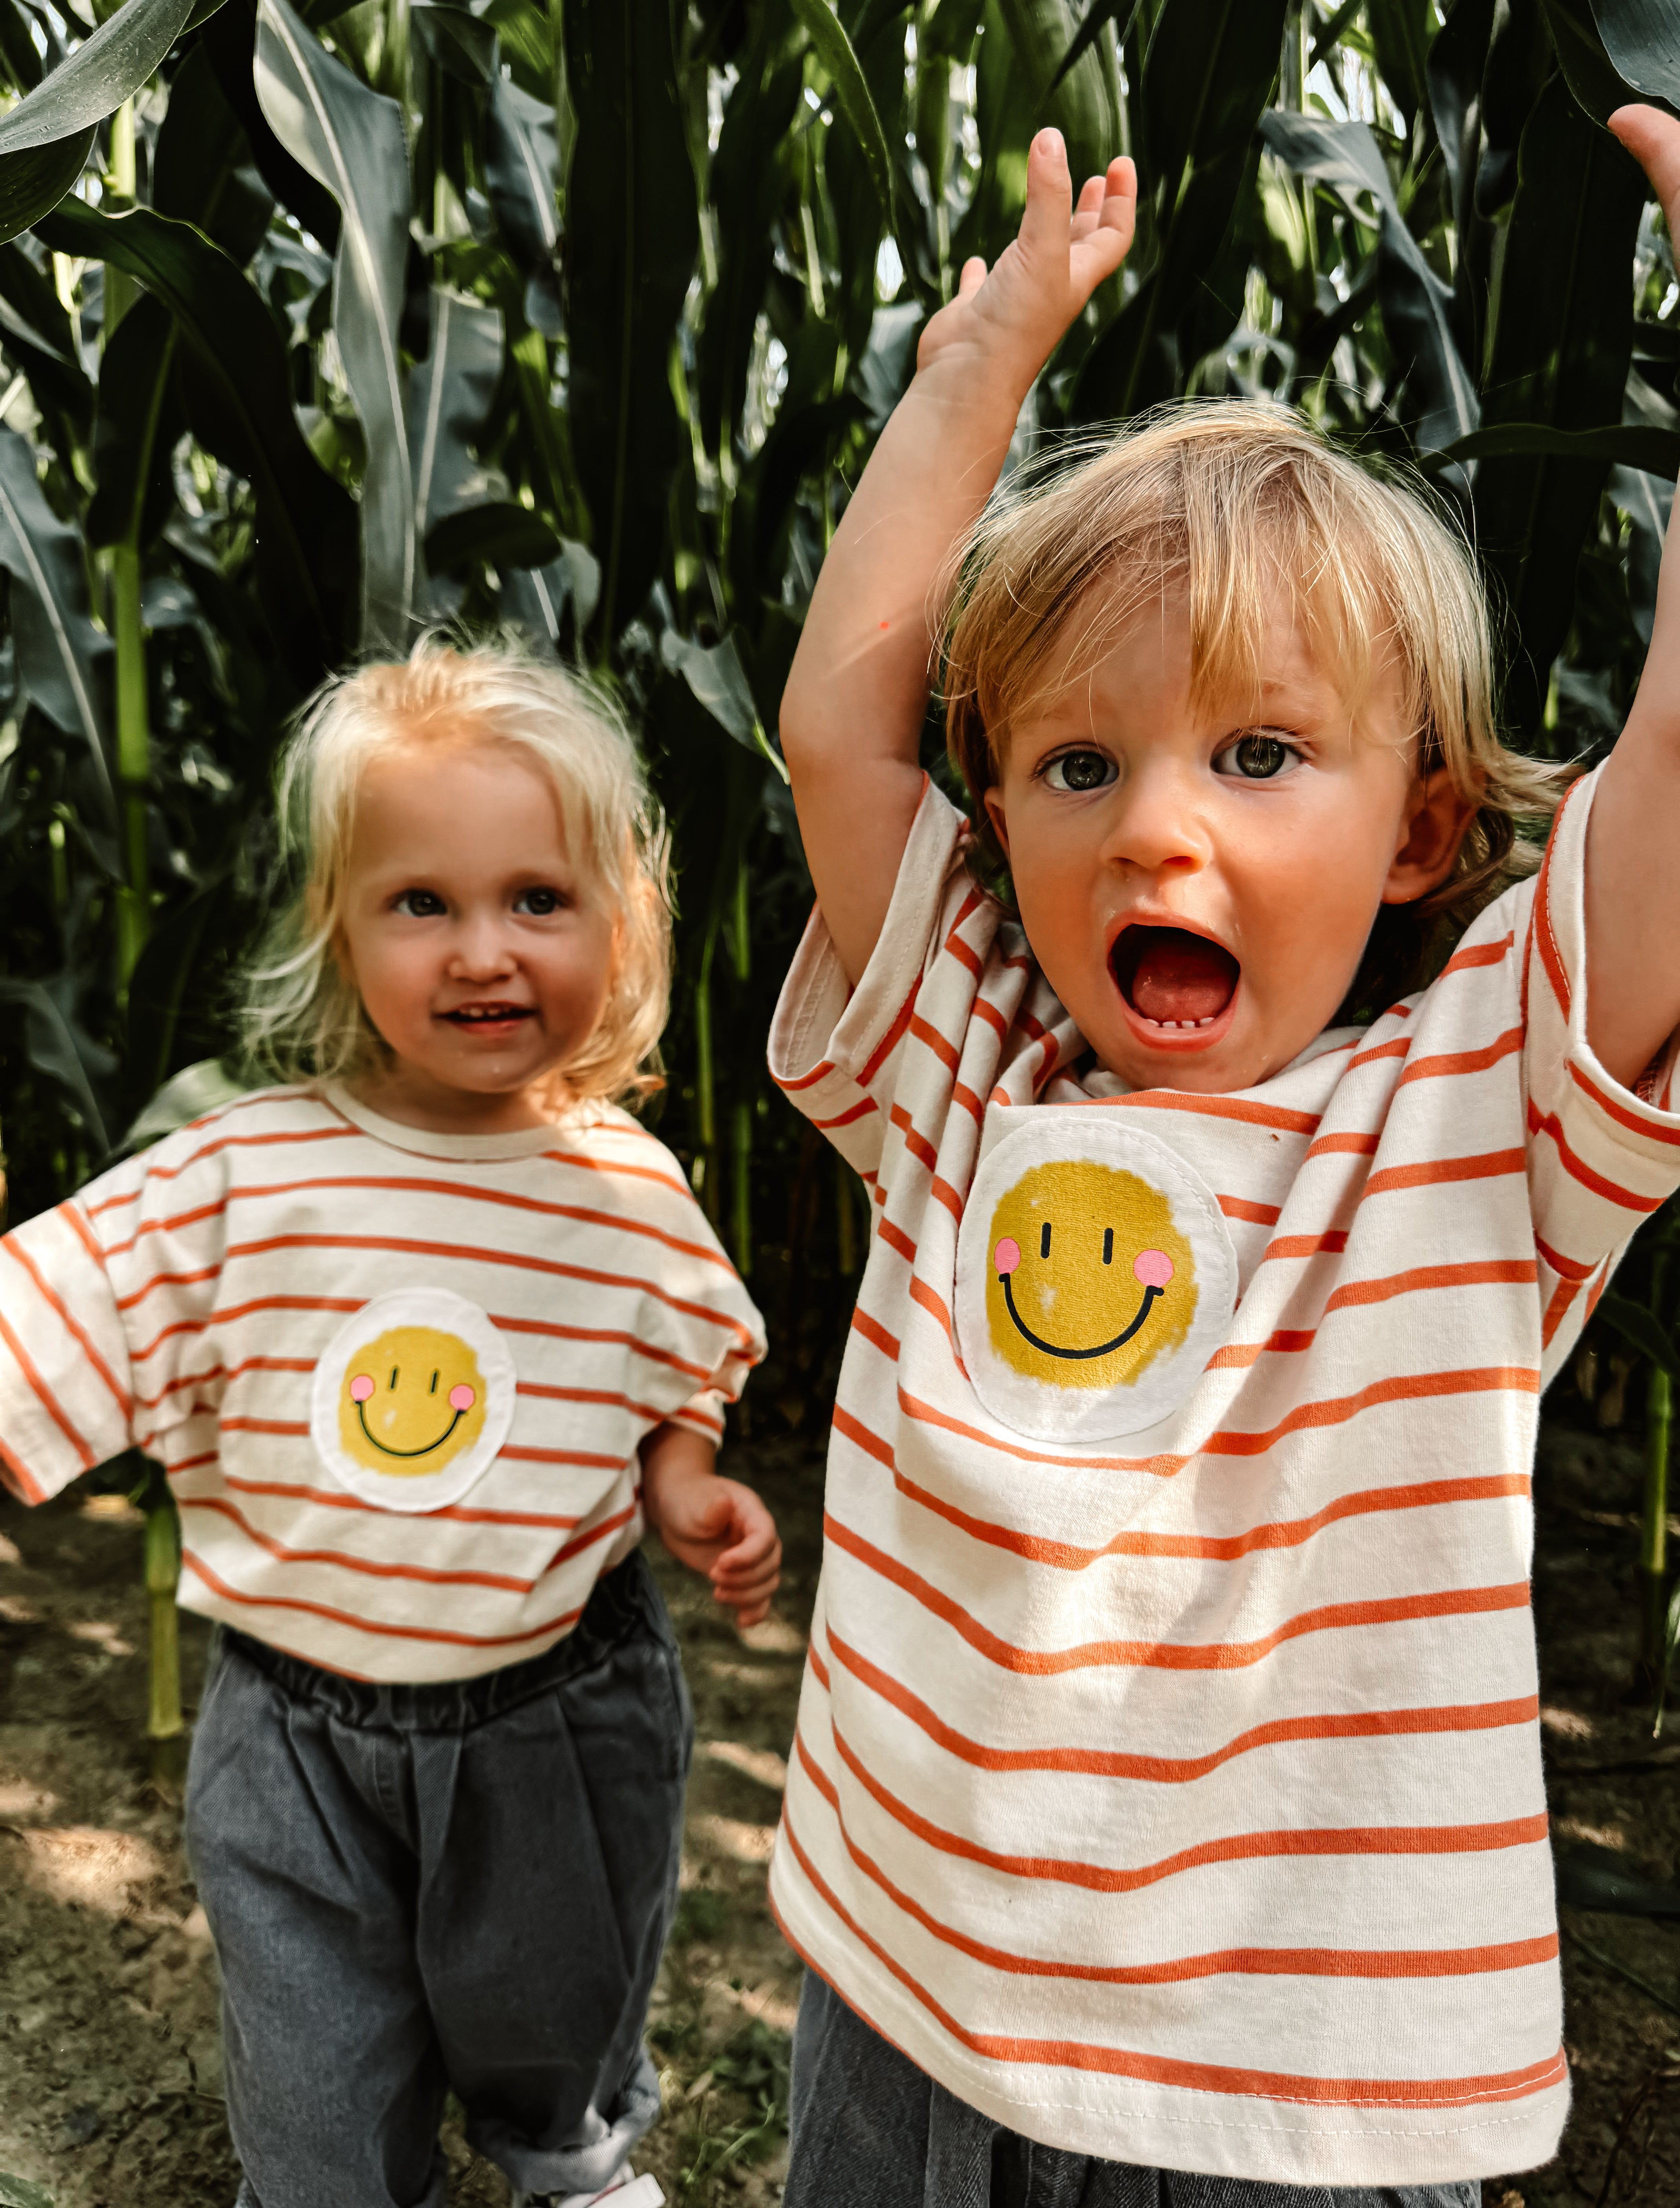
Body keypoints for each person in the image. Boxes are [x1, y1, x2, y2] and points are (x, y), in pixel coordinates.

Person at [767, 109, 1680, 2208]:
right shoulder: (964, 1066)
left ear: (1421, 834)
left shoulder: (1460, 1132)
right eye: (1076, 762)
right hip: (907, 1995)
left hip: (1281, 2095)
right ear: (998, 821)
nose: (1155, 826)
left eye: (1256, 754)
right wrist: (973, 370)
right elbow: (842, 733)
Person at [0, 643, 780, 2208]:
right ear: (338, 931)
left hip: (556, 1711)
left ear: (619, 923)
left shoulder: (625, 1189)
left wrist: (686, 1486)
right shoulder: (239, 1177)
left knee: (553, 1994)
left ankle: (568, 2157)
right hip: (292, 1728)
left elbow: (677, 1361)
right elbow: (47, 1315)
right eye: (422, 903)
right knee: (311, 2061)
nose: (483, 952)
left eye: (537, 901)